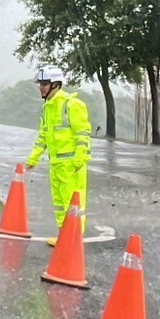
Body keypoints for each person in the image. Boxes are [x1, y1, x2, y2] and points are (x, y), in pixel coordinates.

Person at [26, 65, 92, 235]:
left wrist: (79, 159)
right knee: (60, 204)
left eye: (44, 84)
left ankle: (73, 239)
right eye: (40, 84)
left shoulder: (72, 105)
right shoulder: (47, 107)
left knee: (74, 204)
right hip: (56, 164)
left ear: (55, 84)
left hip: (71, 165)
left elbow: (83, 134)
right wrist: (33, 159)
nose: (41, 87)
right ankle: (64, 236)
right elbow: (43, 136)